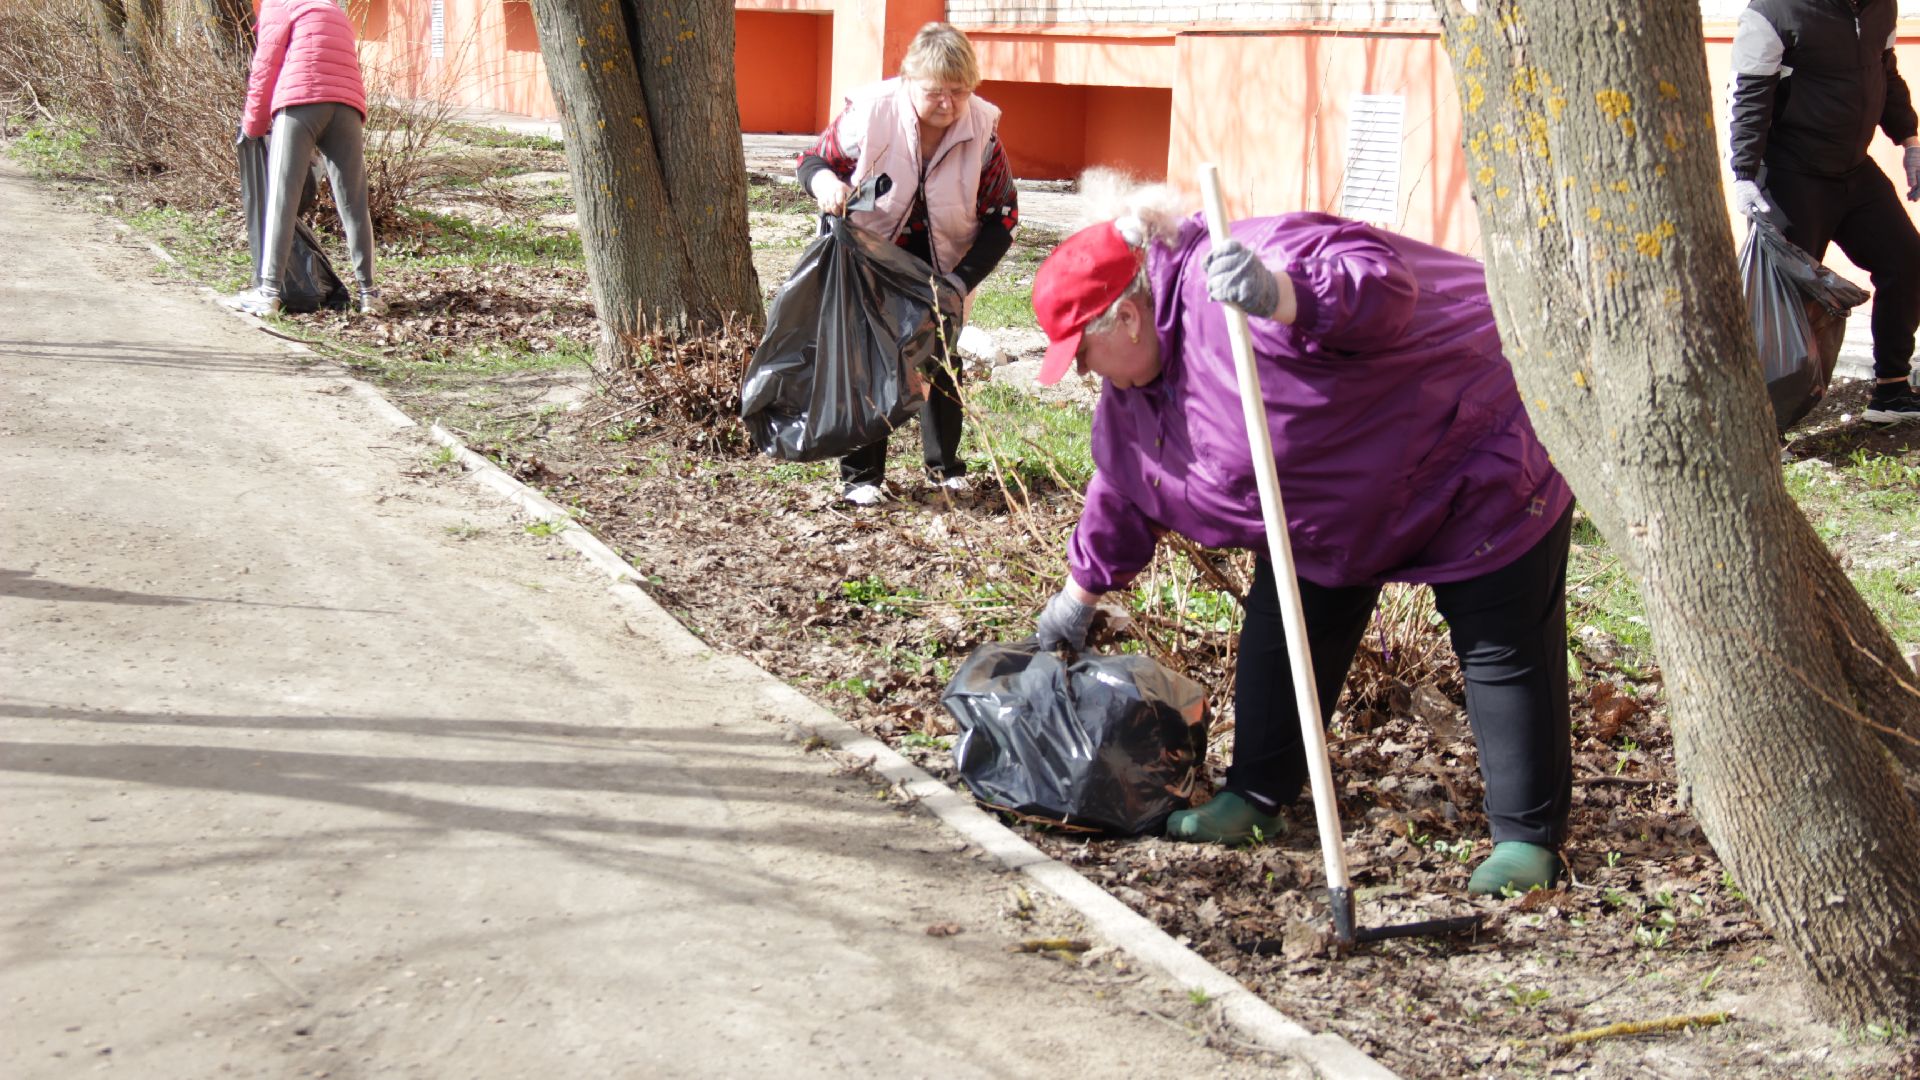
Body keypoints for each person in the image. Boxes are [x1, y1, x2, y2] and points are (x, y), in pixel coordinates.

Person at [1027, 171, 1577, 897]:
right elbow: (1130, 481)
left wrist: (1281, 295)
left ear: (1126, 319)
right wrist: (1080, 595)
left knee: (1501, 642)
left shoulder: (1246, 265)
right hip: (1341, 507)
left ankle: (1526, 839)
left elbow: (1381, 286)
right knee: (1285, 629)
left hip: (1476, 438)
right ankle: (1256, 796)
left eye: (1083, 353)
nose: (1083, 374)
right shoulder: (1134, 385)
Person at [795, 22, 1019, 505]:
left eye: (959, 92)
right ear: (908, 81)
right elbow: (813, 161)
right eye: (935, 92)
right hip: (867, 253)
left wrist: (960, 281)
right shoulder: (871, 113)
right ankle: (862, 479)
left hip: (942, 260)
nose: (947, 104)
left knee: (938, 357)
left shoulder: (982, 130)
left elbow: (1002, 217)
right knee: (865, 360)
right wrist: (827, 186)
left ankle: (946, 469)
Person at [1729, 0, 1920, 423]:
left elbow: (1884, 71)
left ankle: (1892, 390)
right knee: (1787, 301)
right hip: (1790, 173)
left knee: (1906, 260)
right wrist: (1743, 173)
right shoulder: (1775, 10)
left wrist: (1909, 139)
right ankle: (1765, 423)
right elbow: (1750, 91)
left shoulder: (1879, 6)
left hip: (1854, 169)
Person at [223, 0, 383, 318]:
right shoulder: (334, 10)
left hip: (300, 103)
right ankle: (370, 295)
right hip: (347, 107)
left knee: (282, 198)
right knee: (353, 202)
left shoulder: (279, 5)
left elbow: (265, 67)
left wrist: (252, 127)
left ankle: (268, 293)